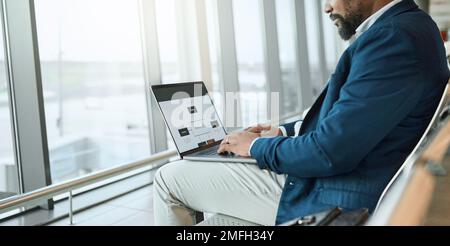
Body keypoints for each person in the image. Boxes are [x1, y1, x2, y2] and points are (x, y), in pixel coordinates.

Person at [153, 0, 450, 226]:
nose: (327, 7)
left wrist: (255, 146)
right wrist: (281, 132)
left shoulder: (392, 38)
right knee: (218, 222)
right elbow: (349, 120)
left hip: (336, 195)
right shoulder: (413, 27)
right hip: (354, 176)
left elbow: (329, 152)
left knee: (169, 177)